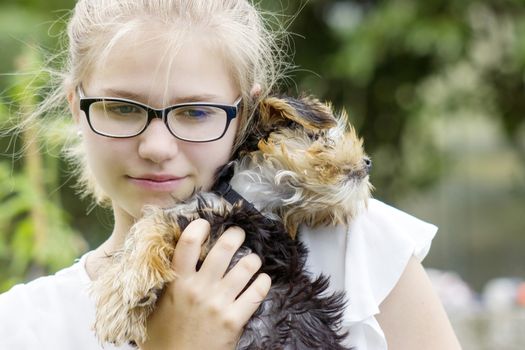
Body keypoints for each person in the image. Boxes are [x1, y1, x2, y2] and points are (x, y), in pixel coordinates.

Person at [0, 1, 462, 349]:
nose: (157, 148)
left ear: (245, 115)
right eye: (122, 108)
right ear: (75, 108)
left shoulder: (354, 250)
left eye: (196, 112)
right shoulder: (23, 326)